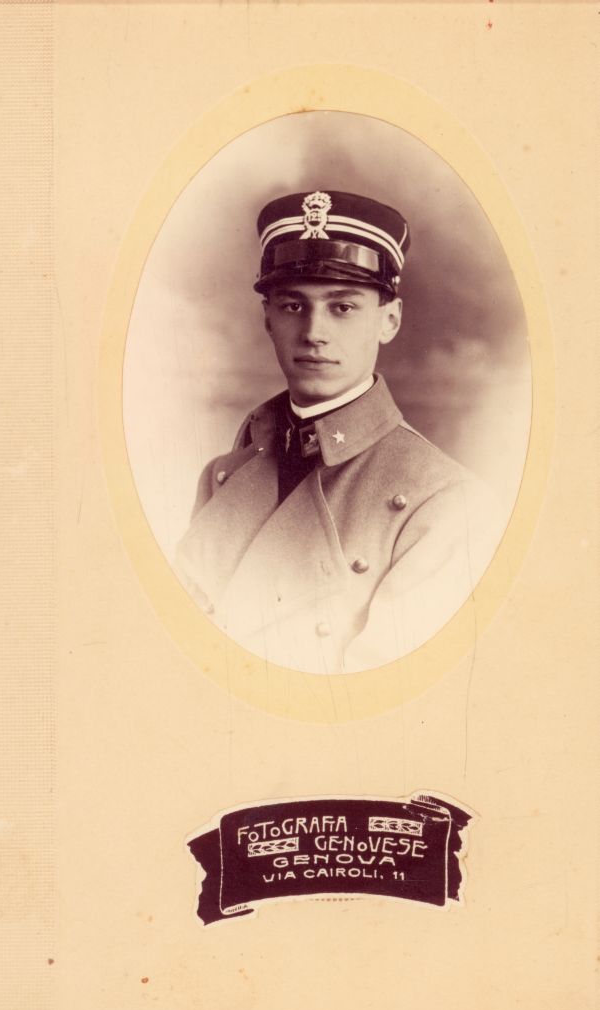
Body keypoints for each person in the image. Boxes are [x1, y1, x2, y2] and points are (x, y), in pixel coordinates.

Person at [175, 190, 501, 674]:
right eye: (293, 306)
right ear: (267, 319)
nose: (314, 333)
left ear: (389, 321)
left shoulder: (447, 502)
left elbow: (379, 693)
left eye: (343, 307)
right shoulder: (222, 476)